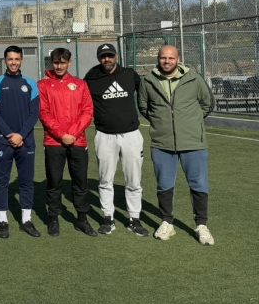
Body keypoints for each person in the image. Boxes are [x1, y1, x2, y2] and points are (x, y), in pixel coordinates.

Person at [138, 45, 215, 245]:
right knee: (164, 185)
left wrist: (190, 123)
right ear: (158, 59)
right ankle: (166, 222)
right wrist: (163, 124)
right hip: (162, 143)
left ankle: (201, 225)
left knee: (198, 184)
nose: (167, 61)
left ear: (178, 59)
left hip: (193, 142)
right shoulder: (147, 81)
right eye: (163, 58)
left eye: (171, 58)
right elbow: (144, 107)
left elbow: (207, 104)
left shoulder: (194, 79)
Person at [84, 43, 148, 237]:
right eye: (103, 56)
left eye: (110, 55)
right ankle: (108, 218)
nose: (107, 59)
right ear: (99, 58)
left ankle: (134, 219)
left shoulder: (129, 75)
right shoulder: (91, 77)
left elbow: (148, 92)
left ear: (117, 57)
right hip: (104, 136)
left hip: (131, 135)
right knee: (105, 180)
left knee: (134, 181)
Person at [38, 47, 96, 238]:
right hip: (54, 142)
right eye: (56, 62)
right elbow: (43, 112)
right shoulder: (43, 85)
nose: (59, 66)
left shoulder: (80, 84)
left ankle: (82, 219)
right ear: (51, 63)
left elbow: (88, 111)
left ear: (69, 63)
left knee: (80, 182)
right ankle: (53, 219)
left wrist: (72, 133)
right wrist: (61, 134)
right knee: (54, 182)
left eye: (63, 63)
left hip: (77, 141)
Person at [0, 45, 41, 239]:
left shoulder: (30, 84)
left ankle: (26, 220)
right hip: (4, 142)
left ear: (22, 60)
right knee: (2, 181)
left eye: (17, 59)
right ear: (5, 60)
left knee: (26, 182)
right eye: (10, 59)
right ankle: (3, 221)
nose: (13, 62)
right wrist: (10, 135)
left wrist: (21, 135)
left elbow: (34, 114)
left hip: (26, 142)